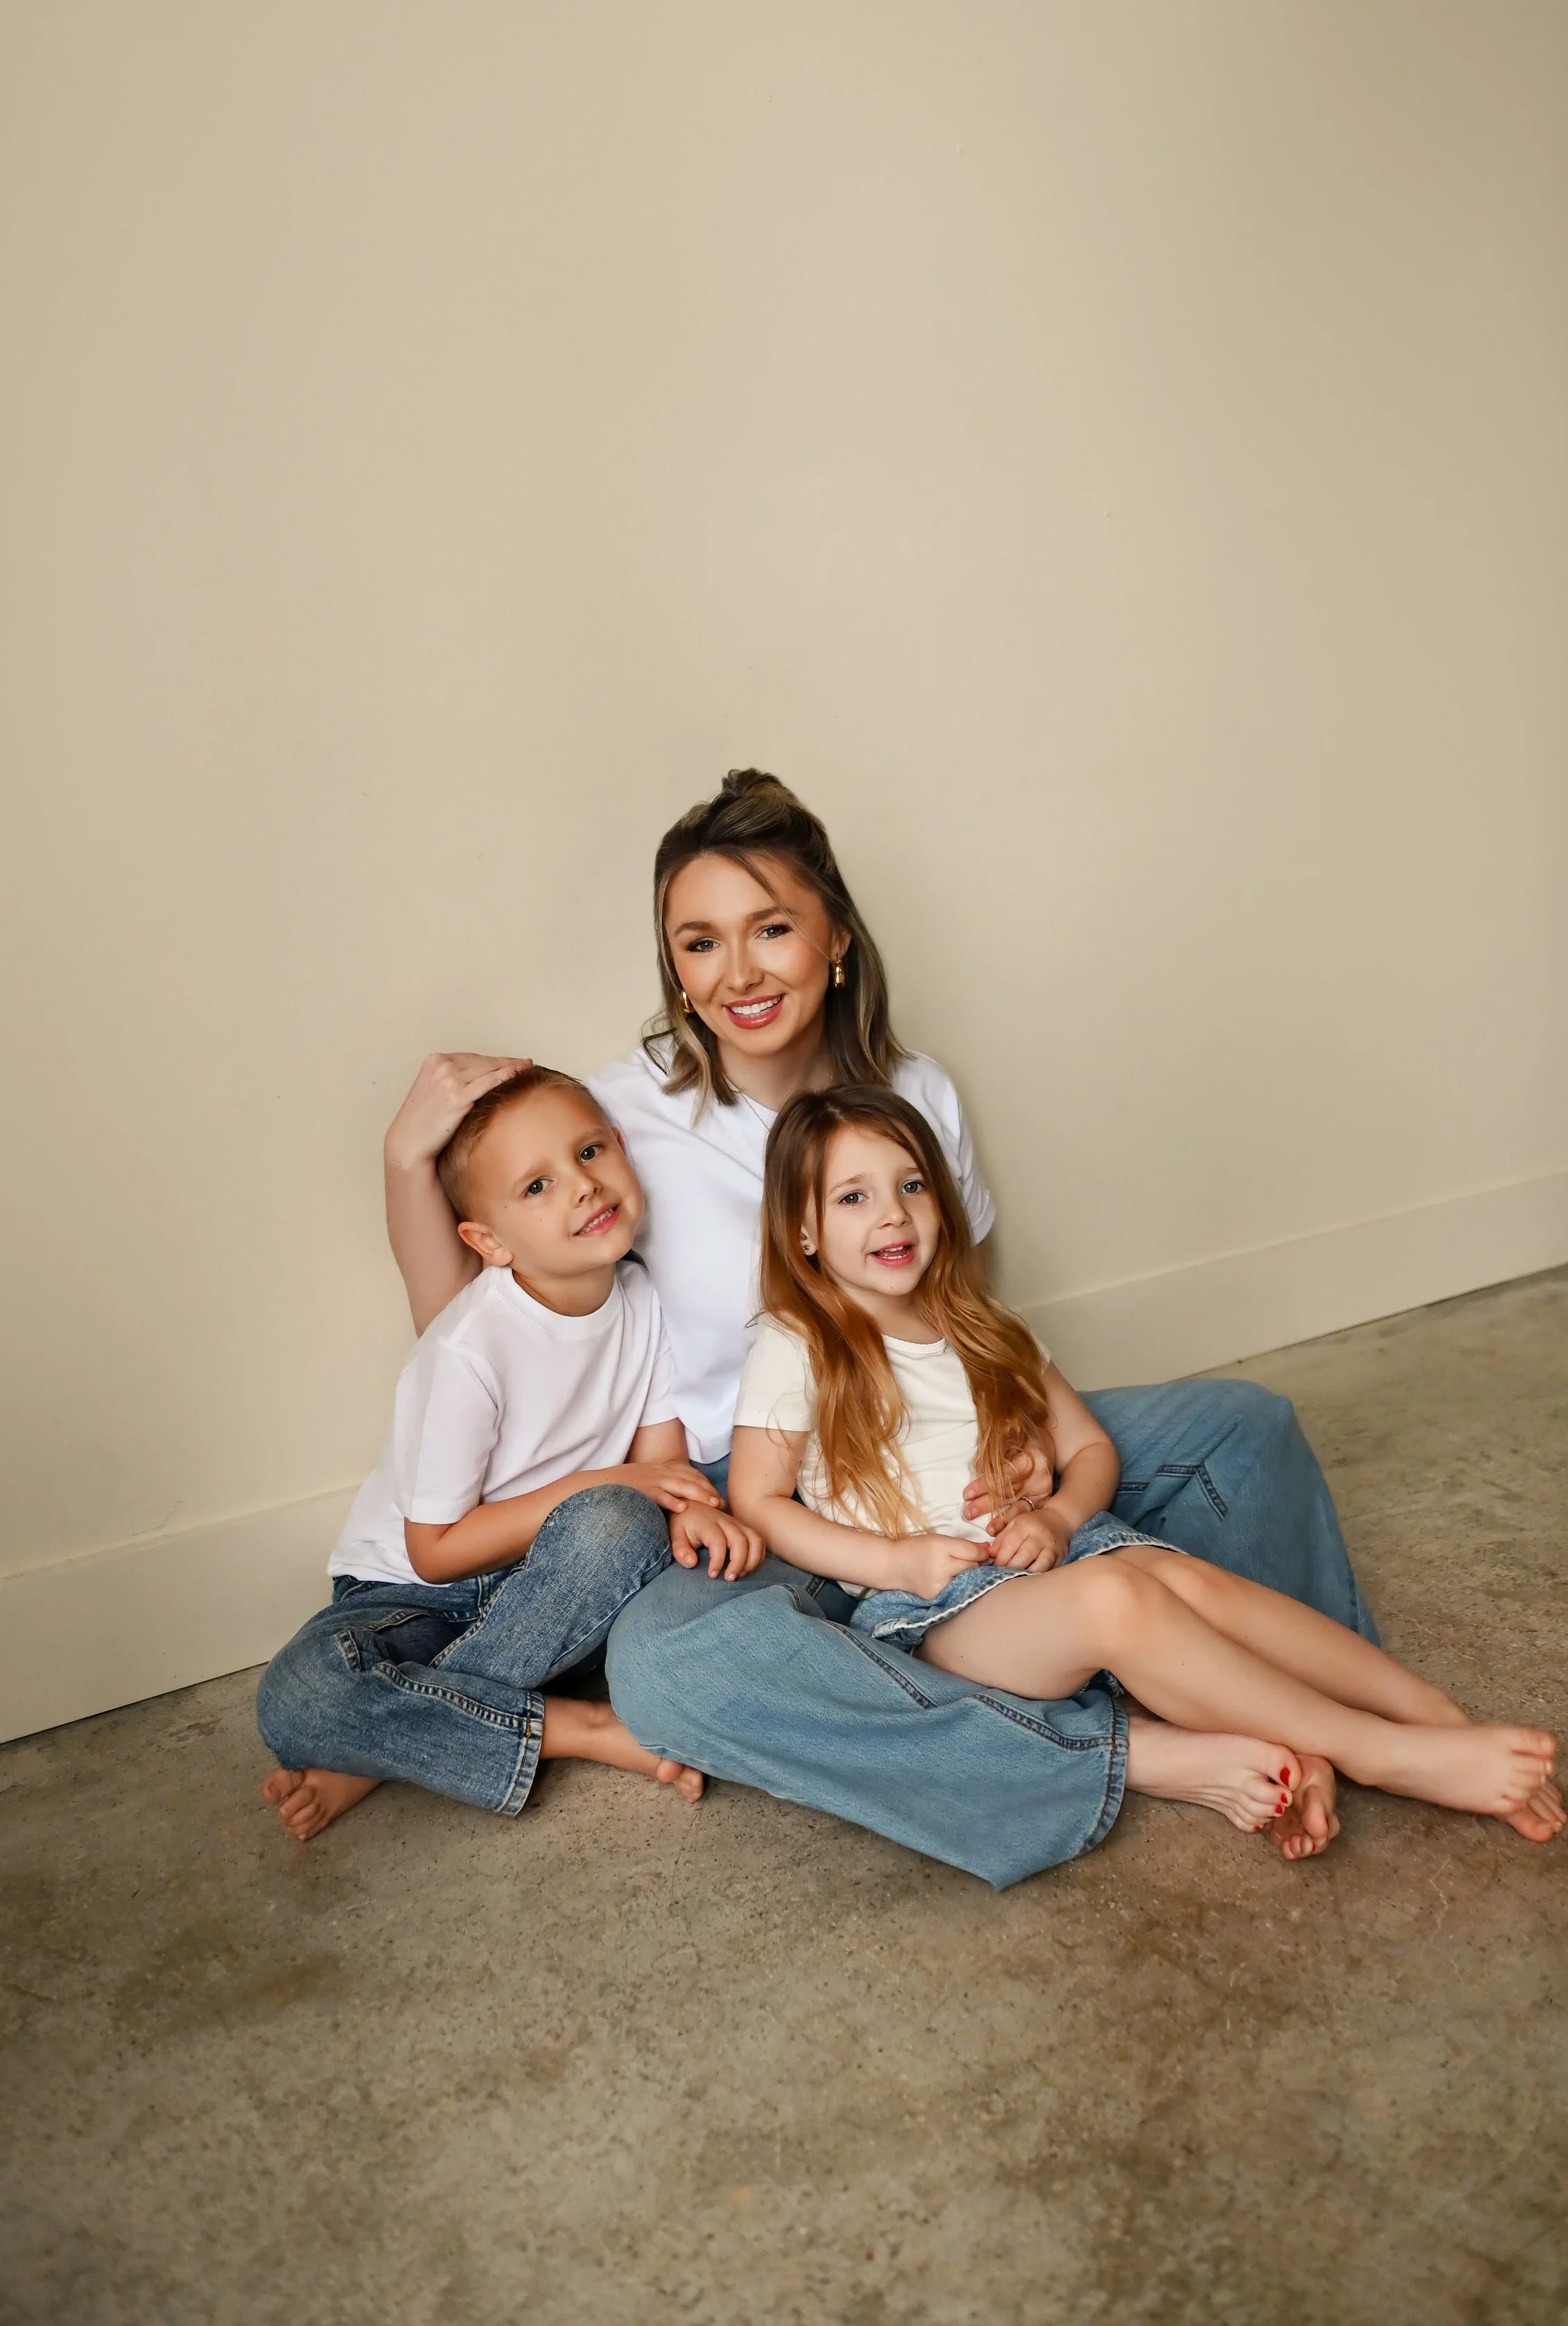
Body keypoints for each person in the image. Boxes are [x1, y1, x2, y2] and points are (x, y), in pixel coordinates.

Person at [381, 771, 1379, 1888]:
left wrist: (1016, 1437)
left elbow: (964, 1306)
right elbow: (481, 1326)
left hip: (938, 1464)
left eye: (772, 928)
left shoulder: (918, 1092)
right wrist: (406, 1164)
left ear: (838, 939)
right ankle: (1128, 1748)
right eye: (699, 944)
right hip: (755, 1498)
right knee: (668, 1670)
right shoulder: (621, 1118)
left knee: (1241, 1428)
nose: (740, 972)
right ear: (674, 969)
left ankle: (1307, 1710)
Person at [729, 1084, 1567, 1856]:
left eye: (911, 1186)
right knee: (1119, 1598)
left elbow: (1091, 1449)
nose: (893, 1215)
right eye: (853, 1196)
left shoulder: (980, 1324)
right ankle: (1383, 1754)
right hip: (934, 1612)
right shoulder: (799, 1341)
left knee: (1196, 1586)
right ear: (803, 1230)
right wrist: (893, 1561)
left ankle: (1432, 1715)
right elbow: (757, 1498)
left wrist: (1058, 1518)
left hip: (1057, 1557)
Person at [257, 1068, 760, 1841]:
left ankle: (397, 1744)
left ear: (623, 1149)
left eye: (591, 1152)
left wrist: (689, 1513)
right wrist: (614, 1478)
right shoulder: (469, 1347)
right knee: (298, 1699)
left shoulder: (643, 1300)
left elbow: (660, 1469)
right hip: (410, 1593)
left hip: (548, 1580)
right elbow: (435, 1550)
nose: (582, 1188)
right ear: (487, 1241)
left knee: (623, 1523)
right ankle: (578, 1727)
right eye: (536, 1186)